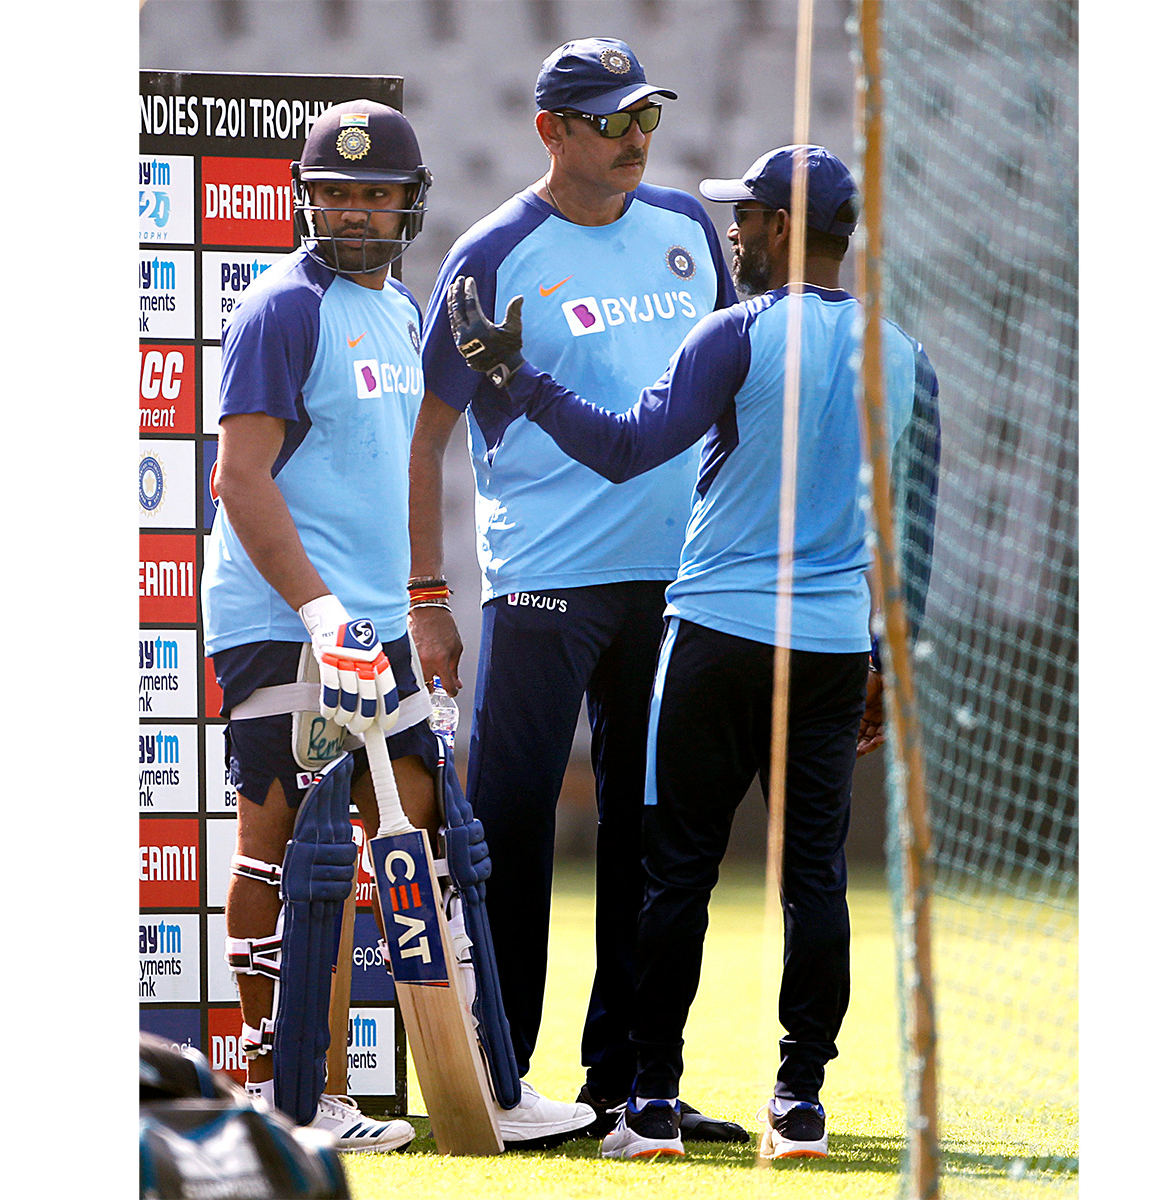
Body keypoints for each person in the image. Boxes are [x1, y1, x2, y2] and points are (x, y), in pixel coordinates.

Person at [446, 144, 942, 1160]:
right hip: (833, 649)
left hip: (714, 634)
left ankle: (651, 1102)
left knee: (674, 874)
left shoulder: (734, 333)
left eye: (746, 216)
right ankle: (799, 1102)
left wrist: (516, 377)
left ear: (780, 228)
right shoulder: (907, 356)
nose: (732, 233)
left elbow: (627, 449)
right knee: (815, 880)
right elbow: (915, 532)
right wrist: (890, 662)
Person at [202, 99, 586, 1154]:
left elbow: (399, 464)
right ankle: (293, 1097)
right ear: (305, 198)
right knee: (285, 848)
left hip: (371, 626)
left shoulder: (400, 306)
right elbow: (240, 479)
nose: (354, 212)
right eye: (335, 194)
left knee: (428, 843)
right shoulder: (282, 309)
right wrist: (319, 611)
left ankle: (484, 1087)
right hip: (283, 621)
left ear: (410, 204)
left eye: (375, 194)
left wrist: (411, 604)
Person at [411, 36, 746, 1142]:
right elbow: (426, 435)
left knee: (649, 837)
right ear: (550, 130)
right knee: (510, 833)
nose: (634, 139)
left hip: (679, 581)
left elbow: (733, 392)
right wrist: (426, 596)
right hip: (543, 583)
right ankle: (503, 1087)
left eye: (645, 116)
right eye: (610, 121)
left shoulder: (687, 228)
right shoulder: (492, 252)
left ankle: (631, 1088)